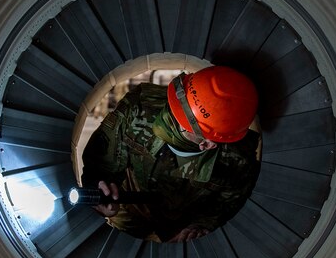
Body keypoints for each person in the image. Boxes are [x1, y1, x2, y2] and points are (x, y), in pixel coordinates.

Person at [80, 65, 261, 242]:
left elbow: (228, 203)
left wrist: (200, 226)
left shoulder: (236, 160)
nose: (169, 118)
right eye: (176, 105)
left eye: (182, 123)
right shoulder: (139, 107)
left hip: (181, 227)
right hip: (127, 208)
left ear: (208, 144)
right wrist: (99, 191)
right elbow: (99, 163)